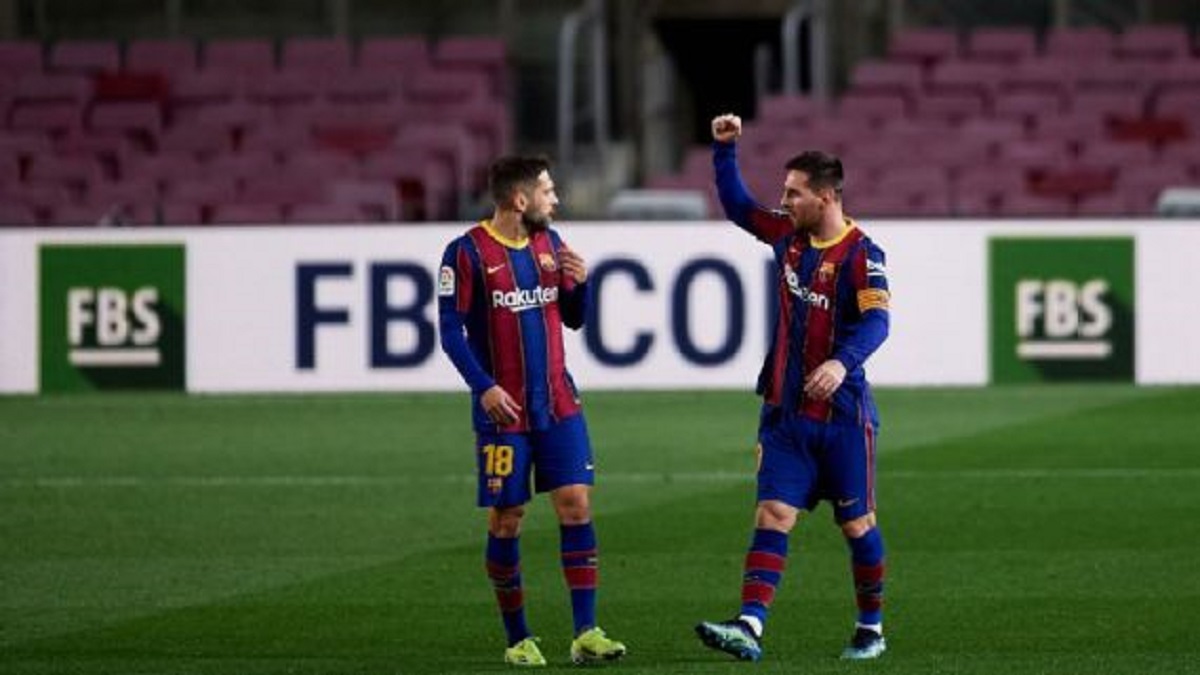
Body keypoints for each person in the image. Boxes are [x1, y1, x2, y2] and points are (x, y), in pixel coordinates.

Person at [694, 114, 891, 662]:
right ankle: (749, 625)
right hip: (785, 413)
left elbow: (878, 321)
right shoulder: (787, 235)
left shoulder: (862, 255)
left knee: (857, 525)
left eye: (794, 193)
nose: (784, 202)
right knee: (773, 514)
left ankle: (870, 628)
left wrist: (841, 364)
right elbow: (739, 207)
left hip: (844, 418)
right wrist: (724, 151)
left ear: (826, 197)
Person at [437, 155, 627, 668]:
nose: (555, 199)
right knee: (508, 518)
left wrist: (582, 284)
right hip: (504, 413)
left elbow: (574, 320)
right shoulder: (466, 253)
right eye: (548, 191)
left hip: (559, 402)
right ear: (520, 200)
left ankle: (586, 632)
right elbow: (450, 332)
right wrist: (483, 388)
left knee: (576, 504)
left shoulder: (551, 244)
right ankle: (518, 638)